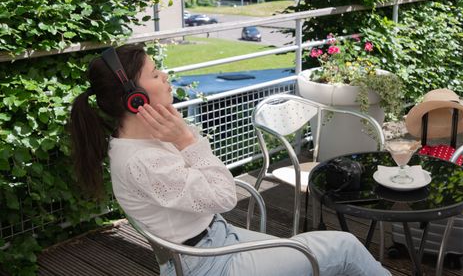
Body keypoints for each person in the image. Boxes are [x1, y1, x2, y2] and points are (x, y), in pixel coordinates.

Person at [70, 44, 390, 276]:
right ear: (134, 98)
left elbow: (208, 183)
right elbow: (224, 197)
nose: (165, 76)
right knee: (345, 247)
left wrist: (180, 135)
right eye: (155, 73)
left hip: (216, 241)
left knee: (313, 254)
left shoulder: (146, 140)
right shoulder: (142, 162)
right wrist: (186, 140)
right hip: (211, 263)